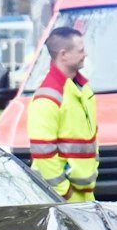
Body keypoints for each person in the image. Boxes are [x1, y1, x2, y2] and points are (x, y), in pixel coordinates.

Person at [28, 28, 98, 201]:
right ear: (63, 55)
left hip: (82, 194)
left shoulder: (81, 89)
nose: (85, 54)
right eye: (80, 50)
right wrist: (64, 192)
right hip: (62, 198)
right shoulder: (49, 97)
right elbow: (43, 153)